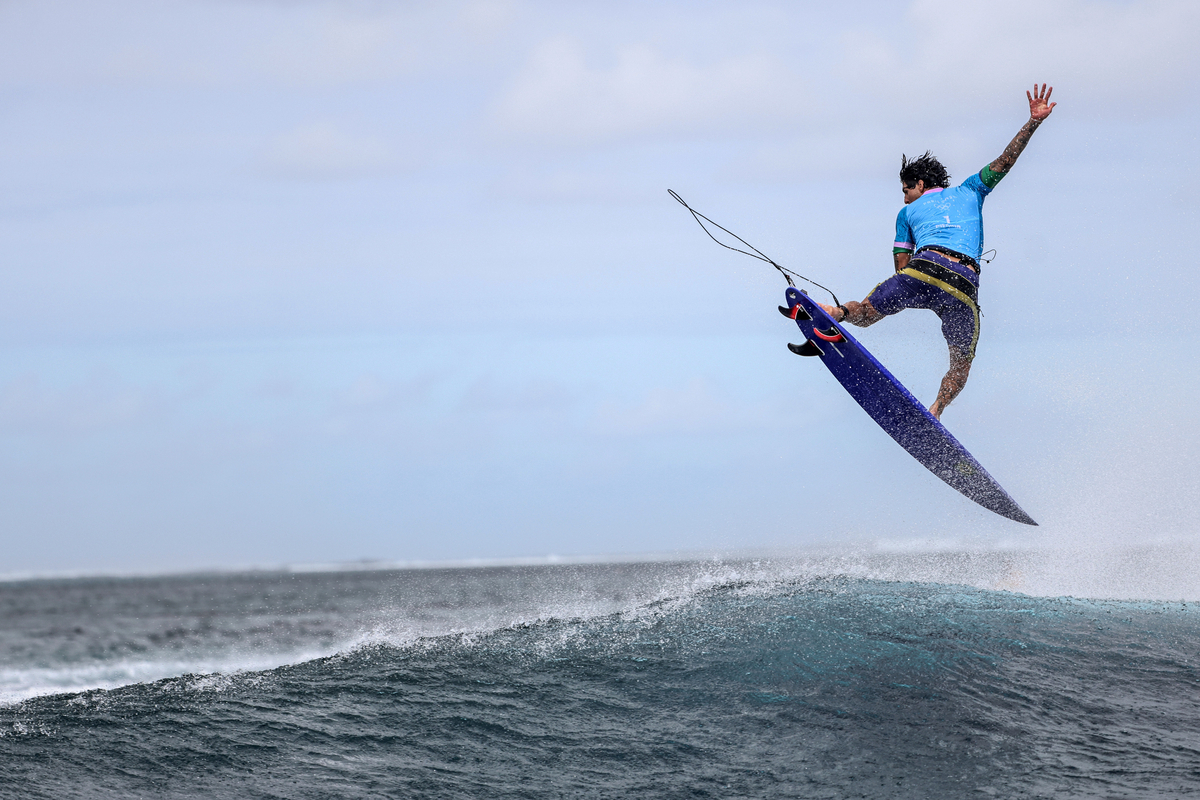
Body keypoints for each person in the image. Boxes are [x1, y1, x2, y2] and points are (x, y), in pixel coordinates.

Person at [819, 83, 1056, 419]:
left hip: (923, 270)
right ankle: (937, 410)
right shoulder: (973, 189)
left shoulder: (906, 214)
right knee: (961, 364)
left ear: (919, 185)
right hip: (962, 287)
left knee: (868, 313)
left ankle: (837, 313)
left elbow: (902, 268)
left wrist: (902, 297)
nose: (904, 198)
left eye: (906, 190)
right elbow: (1006, 160)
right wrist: (1033, 122)